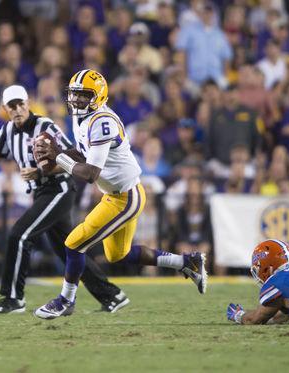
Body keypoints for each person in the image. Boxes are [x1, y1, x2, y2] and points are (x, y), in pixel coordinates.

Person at [33, 69, 207, 319]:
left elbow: (91, 173)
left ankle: (65, 301)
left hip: (125, 197)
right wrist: (57, 155)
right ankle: (187, 262)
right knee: (117, 254)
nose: (77, 101)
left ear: (99, 97)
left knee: (73, 243)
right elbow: (83, 155)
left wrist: (57, 156)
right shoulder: (83, 118)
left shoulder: (102, 122)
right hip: (117, 195)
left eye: (84, 96)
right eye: (74, 95)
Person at [0, 85, 128, 314]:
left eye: (20, 104)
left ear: (28, 103)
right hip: (41, 194)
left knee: (19, 234)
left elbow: (74, 157)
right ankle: (112, 295)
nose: (17, 109)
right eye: (12, 106)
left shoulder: (44, 126)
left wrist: (40, 172)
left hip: (59, 189)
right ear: (5, 109)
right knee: (69, 250)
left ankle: (13, 298)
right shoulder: (7, 131)